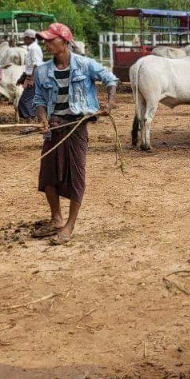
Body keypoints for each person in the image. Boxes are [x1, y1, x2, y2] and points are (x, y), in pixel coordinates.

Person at [32, 22, 118, 245]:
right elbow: (39, 100)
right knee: (48, 175)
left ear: (65, 41)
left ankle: (70, 225)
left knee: (76, 175)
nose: (47, 43)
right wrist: (42, 119)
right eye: (45, 40)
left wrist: (109, 103)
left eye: (51, 40)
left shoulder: (84, 64)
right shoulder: (42, 71)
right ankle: (56, 219)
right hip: (53, 127)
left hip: (76, 127)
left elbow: (110, 79)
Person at [16, 29, 43, 121]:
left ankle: (31, 121)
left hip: (35, 78)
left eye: (24, 38)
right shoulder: (31, 48)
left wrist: (32, 79)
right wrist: (23, 78)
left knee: (25, 101)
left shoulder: (34, 49)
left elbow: (36, 65)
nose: (23, 40)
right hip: (31, 77)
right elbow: (30, 67)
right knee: (28, 100)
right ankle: (31, 120)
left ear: (29, 38)